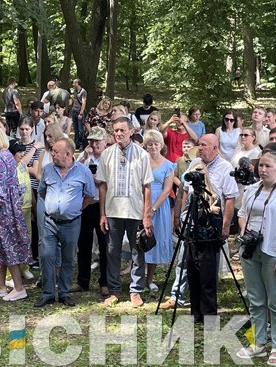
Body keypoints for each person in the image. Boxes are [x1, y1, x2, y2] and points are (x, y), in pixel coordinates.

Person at [233, 151, 276, 367]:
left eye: (268, 166)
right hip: (251, 251)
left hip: (274, 251)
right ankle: (259, 343)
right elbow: (242, 212)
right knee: (256, 300)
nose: (263, 170)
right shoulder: (252, 190)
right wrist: (244, 230)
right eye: (260, 165)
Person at [173, 134, 237, 322]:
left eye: (204, 145)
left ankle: (209, 314)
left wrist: (226, 226)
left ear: (215, 148)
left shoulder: (225, 168)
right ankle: (195, 312)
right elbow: (184, 191)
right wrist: (179, 216)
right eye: (199, 144)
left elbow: (230, 198)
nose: (200, 148)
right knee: (192, 268)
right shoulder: (194, 164)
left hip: (211, 225)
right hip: (192, 222)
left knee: (208, 272)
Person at [96, 118, 154, 307]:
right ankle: (114, 290)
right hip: (113, 211)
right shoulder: (106, 154)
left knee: (137, 250)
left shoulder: (142, 155)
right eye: (115, 131)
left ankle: (136, 290)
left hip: (135, 211)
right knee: (113, 251)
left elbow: (147, 187)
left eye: (122, 130)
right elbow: (102, 186)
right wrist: (102, 214)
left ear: (130, 131)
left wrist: (146, 215)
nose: (118, 134)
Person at [37, 138, 96, 306]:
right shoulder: (48, 170)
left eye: (56, 152)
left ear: (68, 154)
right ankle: (48, 293)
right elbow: (42, 192)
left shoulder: (83, 171)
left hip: (72, 223)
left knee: (68, 258)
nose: (52, 154)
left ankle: (64, 292)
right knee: (47, 256)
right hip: (50, 222)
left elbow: (90, 195)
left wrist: (75, 208)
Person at [0, 130, 32, 301]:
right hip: (11, 207)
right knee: (0, 245)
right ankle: (1, 285)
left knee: (6, 245)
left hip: (2, 210)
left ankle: (19, 287)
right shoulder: (8, 156)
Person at [77, 128, 110, 296]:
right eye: (91, 140)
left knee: (104, 245)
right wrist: (83, 156)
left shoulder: (110, 157)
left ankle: (105, 282)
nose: (94, 144)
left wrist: (99, 180)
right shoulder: (84, 157)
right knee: (83, 245)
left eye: (97, 141)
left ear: (105, 141)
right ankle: (82, 281)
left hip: (103, 205)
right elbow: (73, 173)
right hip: (86, 204)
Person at [143, 130, 176, 289]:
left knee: (153, 240)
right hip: (142, 202)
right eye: (150, 144)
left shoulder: (169, 165)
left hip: (160, 206)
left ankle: (149, 279)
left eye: (156, 144)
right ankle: (138, 277)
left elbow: (167, 189)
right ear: (146, 145)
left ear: (161, 145)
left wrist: (153, 208)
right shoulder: (141, 162)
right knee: (140, 239)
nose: (153, 147)